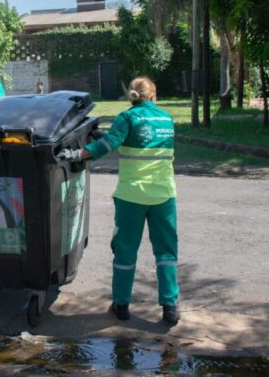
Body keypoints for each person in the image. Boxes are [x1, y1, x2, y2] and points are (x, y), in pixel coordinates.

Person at [59, 76, 180, 325]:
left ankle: (122, 304)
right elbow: (143, 140)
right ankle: (170, 307)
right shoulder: (167, 119)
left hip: (131, 197)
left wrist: (76, 154)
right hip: (164, 196)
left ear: (131, 97)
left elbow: (109, 144)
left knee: (125, 251)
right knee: (166, 252)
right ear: (154, 96)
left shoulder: (127, 118)